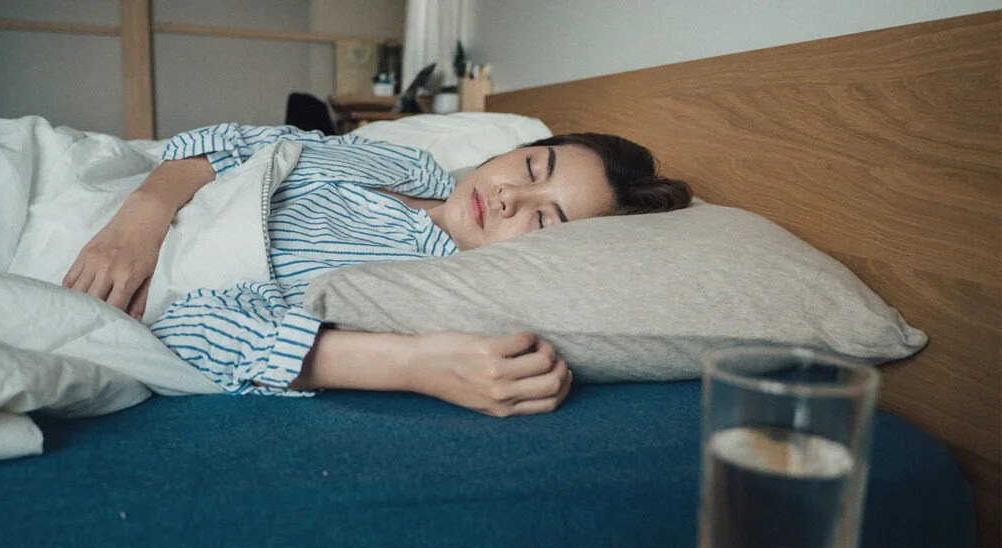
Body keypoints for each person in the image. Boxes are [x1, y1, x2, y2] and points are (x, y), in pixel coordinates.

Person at [63, 124, 692, 417]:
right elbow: (233, 143)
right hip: (88, 191)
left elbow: (191, 333)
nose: (506, 198)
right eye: (530, 168)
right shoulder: (408, 164)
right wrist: (140, 215)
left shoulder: (421, 285)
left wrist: (414, 367)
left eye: (544, 221)